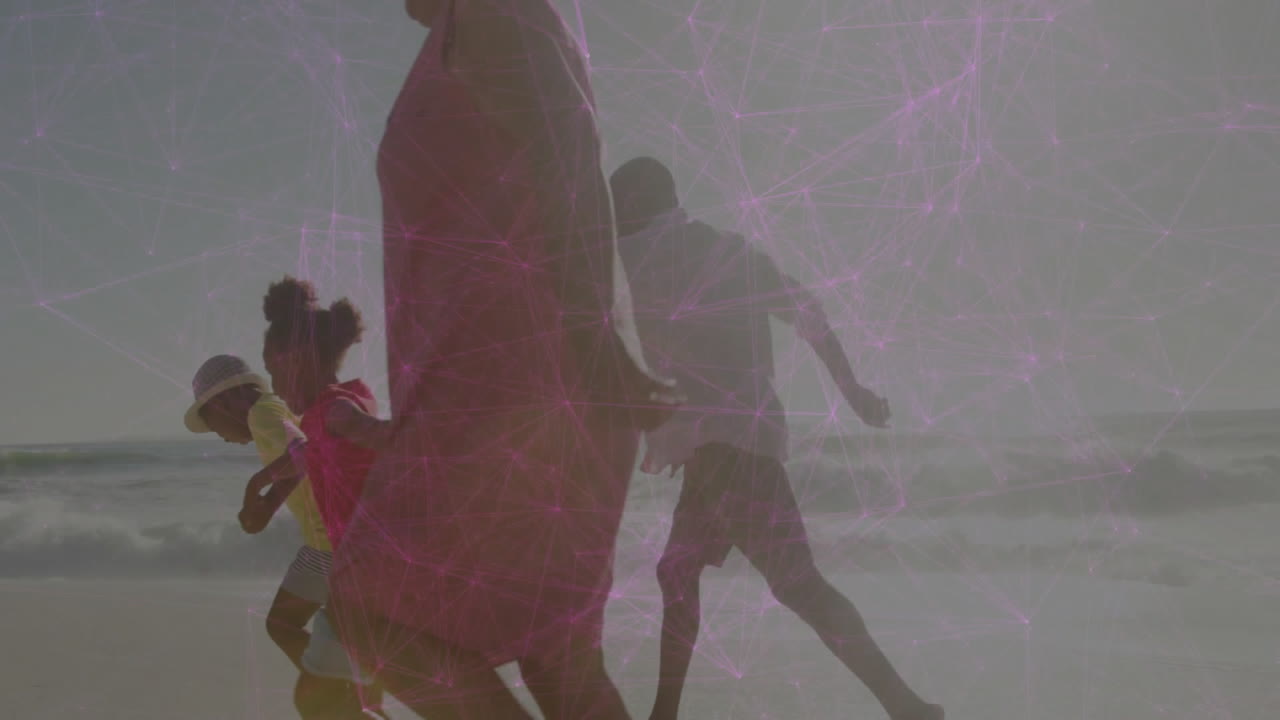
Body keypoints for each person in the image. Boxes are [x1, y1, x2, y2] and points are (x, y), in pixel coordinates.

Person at [323, 1, 679, 718]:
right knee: (560, 660)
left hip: (523, 387)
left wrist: (594, 341)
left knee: (369, 613)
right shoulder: (464, 30)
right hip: (497, 385)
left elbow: (567, 160)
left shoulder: (493, 12)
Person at [609, 156, 944, 720]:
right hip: (736, 441)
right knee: (684, 572)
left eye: (617, 206)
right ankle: (664, 714)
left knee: (796, 585)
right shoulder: (725, 250)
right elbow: (805, 308)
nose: (612, 219)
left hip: (726, 448)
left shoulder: (638, 260)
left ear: (637, 203)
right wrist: (852, 388)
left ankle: (906, 706)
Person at [243, 276, 391, 718]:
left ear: (295, 360)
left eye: (271, 367)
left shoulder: (336, 410)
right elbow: (309, 455)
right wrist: (260, 486)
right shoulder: (332, 408)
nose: (273, 381)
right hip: (355, 575)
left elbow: (395, 440)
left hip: (368, 580)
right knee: (334, 700)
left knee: (322, 701)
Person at [184, 354, 362, 713]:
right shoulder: (273, 408)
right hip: (323, 542)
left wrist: (256, 486)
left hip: (332, 545)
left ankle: (342, 688)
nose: (218, 434)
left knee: (284, 625)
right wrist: (268, 503)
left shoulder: (261, 414)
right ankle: (344, 688)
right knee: (282, 624)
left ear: (223, 401)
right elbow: (300, 462)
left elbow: (311, 452)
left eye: (212, 422)